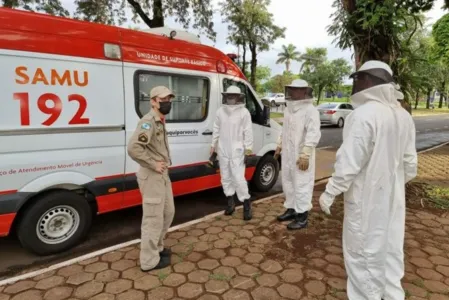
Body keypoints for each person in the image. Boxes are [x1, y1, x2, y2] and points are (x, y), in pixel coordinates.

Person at [318, 60, 418, 300]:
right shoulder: (403, 116)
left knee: (362, 254)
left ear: (369, 81)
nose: (356, 84)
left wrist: (330, 191)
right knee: (391, 249)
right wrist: (390, 185)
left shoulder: (363, 115)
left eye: (358, 79)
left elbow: (349, 163)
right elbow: (410, 165)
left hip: (366, 199)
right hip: (393, 199)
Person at [127, 86, 175, 272]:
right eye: (163, 100)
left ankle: (158, 248)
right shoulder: (148, 122)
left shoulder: (160, 120)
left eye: (169, 99)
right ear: (153, 101)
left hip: (162, 175)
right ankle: (149, 261)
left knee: (168, 212)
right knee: (153, 218)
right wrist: (153, 163)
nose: (167, 103)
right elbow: (133, 148)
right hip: (152, 176)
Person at [275, 79, 321, 230]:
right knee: (288, 181)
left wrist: (306, 154)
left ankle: (302, 217)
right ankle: (291, 209)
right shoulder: (288, 109)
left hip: (301, 155)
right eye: (292, 89)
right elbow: (285, 130)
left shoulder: (310, 110)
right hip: (288, 153)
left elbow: (313, 133)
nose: (294, 92)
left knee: (302, 184)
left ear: (304, 91)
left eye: (297, 90)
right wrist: (279, 145)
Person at [211, 86, 253, 220]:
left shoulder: (244, 112)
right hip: (222, 149)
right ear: (225, 97)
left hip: (238, 150)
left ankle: (246, 204)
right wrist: (213, 147)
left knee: (239, 179)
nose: (230, 98)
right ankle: (230, 204)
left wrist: (248, 150)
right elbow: (216, 129)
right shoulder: (220, 111)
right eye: (228, 96)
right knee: (225, 177)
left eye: (233, 96)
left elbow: (248, 132)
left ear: (238, 97)